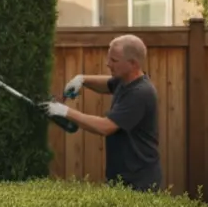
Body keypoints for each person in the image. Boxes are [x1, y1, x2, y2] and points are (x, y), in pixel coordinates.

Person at [41, 33, 162, 191]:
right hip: (122, 175)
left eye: (114, 60)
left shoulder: (140, 93)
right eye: (109, 58)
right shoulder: (125, 82)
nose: (108, 64)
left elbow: (106, 127)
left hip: (139, 180)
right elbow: (107, 84)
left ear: (133, 64)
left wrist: (65, 111)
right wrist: (82, 79)